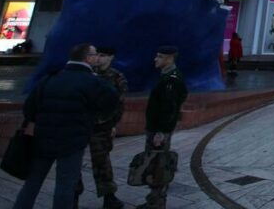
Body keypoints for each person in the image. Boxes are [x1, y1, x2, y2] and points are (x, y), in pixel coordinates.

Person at [14, 43, 118, 209]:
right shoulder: (93, 82)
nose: (97, 57)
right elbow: (112, 101)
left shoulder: (51, 78)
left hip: (42, 140)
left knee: (32, 183)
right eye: (94, 54)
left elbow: (29, 108)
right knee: (65, 187)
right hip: (72, 143)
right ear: (88, 58)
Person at [137, 46, 188, 209]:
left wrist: (161, 132)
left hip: (160, 131)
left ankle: (157, 203)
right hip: (158, 128)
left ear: (169, 58)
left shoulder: (171, 79)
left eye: (159, 56)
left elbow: (169, 107)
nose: (155, 59)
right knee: (155, 163)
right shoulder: (167, 76)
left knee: (158, 165)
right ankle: (154, 200)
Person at [89, 46, 129, 209]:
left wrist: (113, 124)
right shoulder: (87, 74)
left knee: (102, 162)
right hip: (82, 125)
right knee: (74, 163)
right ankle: (73, 195)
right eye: (97, 54)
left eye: (103, 55)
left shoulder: (117, 77)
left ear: (111, 57)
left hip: (101, 127)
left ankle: (108, 196)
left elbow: (119, 104)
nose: (99, 58)